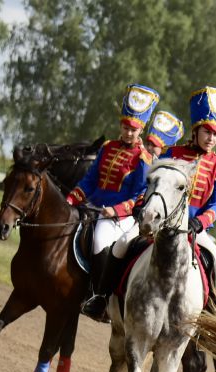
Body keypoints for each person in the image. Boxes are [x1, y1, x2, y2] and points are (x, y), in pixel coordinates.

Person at [67, 83, 158, 321]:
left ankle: (100, 298)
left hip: (120, 217)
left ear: (141, 130)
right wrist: (70, 199)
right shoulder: (108, 148)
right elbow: (90, 180)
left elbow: (140, 194)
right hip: (93, 206)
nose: (128, 132)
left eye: (134, 129)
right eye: (125, 127)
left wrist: (115, 210)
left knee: (99, 239)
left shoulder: (143, 158)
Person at [159, 87, 216, 293]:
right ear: (196, 130)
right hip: (163, 225)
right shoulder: (172, 153)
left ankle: (205, 317)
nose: (211, 138)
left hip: (195, 230)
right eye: (207, 132)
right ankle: (105, 296)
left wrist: (201, 222)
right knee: (123, 247)